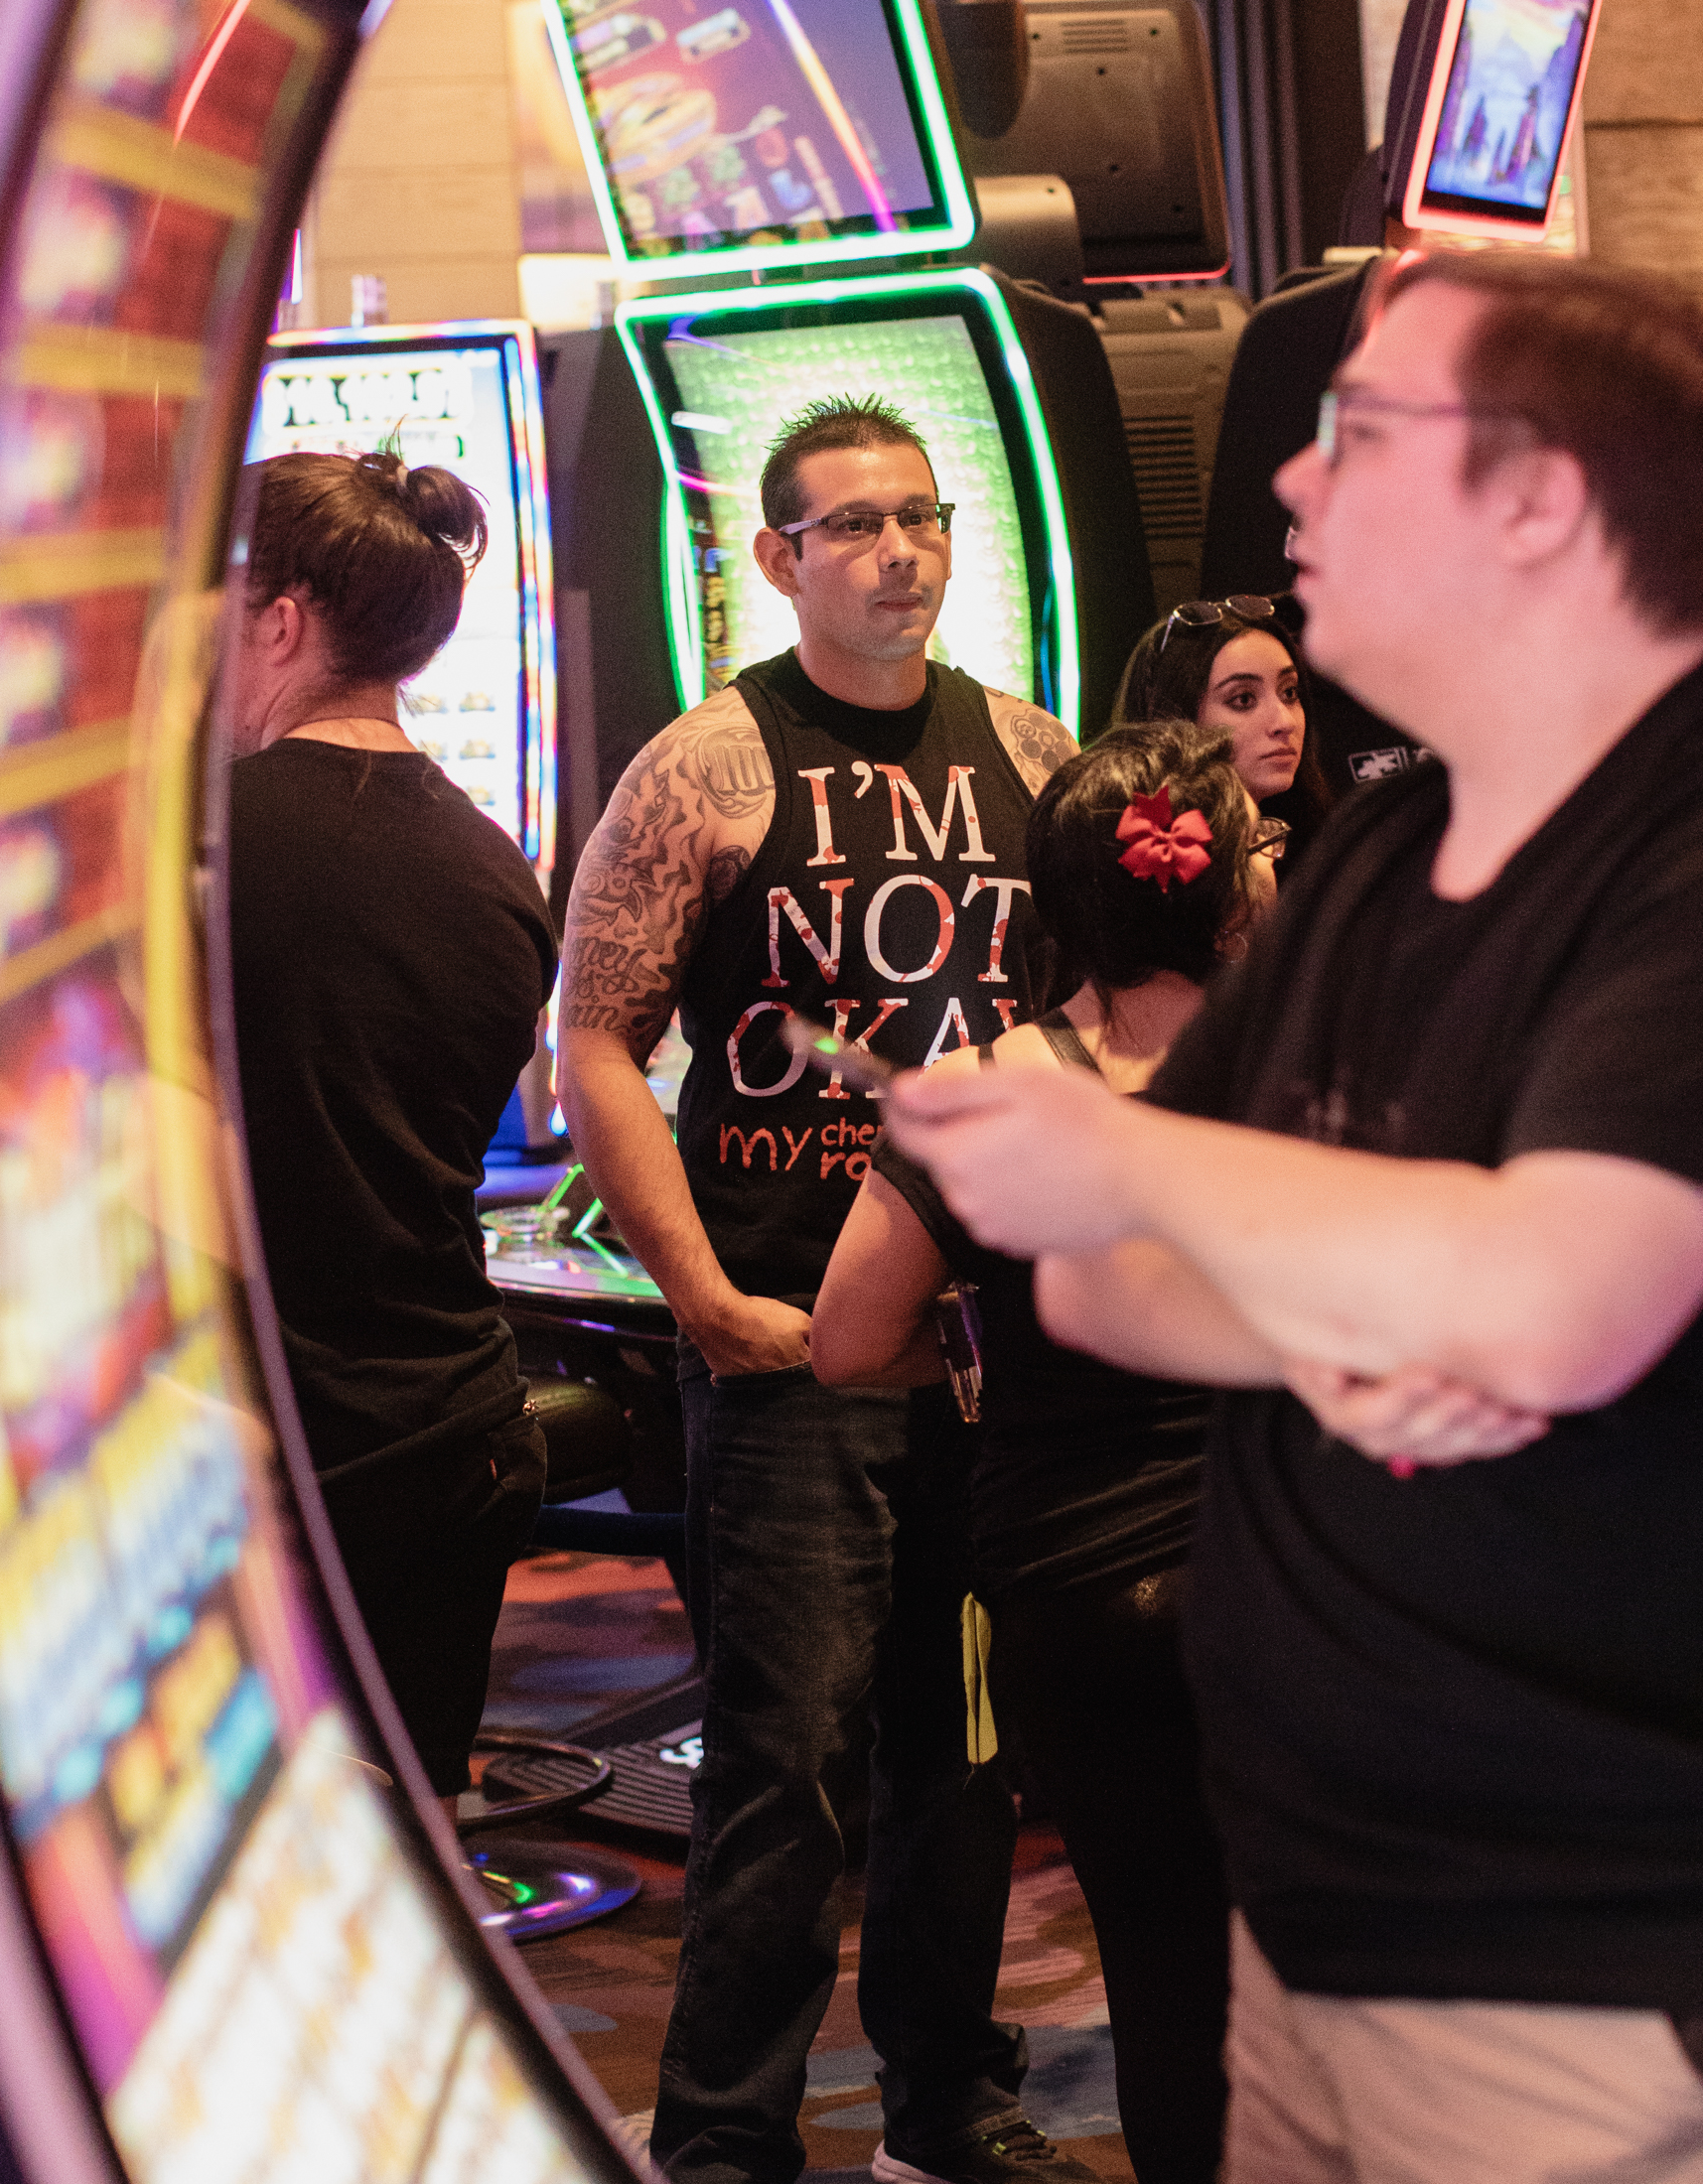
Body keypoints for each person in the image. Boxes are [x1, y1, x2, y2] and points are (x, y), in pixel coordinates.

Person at [882, 252, 1703, 2181]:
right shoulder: (1382, 856)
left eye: (1360, 437)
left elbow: (1558, 1302)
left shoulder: (1671, 848)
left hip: (1570, 1950)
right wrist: (1389, 1297)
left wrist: (1148, 1161)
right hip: (1304, 1905)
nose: (1293, 492)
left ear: (1538, 497)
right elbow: (1108, 1294)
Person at [556, 394, 1089, 2184]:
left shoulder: (1028, 749)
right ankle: (723, 2140)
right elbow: (600, 1043)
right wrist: (698, 1293)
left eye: (920, 519)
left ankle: (947, 2103)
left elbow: (1100, 1022)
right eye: (853, 525)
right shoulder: (712, 764)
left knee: (961, 1764)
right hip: (790, 1343)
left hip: (993, 1357)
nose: (896, 552)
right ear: (780, 556)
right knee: (781, 1773)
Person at [813, 721, 1274, 2184]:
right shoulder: (1321, 1075)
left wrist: (983, 1366)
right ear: (1225, 899)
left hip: (1074, 1596)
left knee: (1159, 1975)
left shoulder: (986, 1090)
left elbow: (842, 1338)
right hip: (1290, 1586)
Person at [228, 448, 556, 1811]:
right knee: (406, 1863)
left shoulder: (197, 849)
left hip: (258, 1444)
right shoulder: (496, 870)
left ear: (284, 619)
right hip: (446, 1430)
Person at [1114, 597, 1330, 865]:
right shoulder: (1150, 865)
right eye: (1243, 700)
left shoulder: (1324, 841)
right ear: (1173, 720)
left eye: (1289, 692)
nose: (1285, 722)